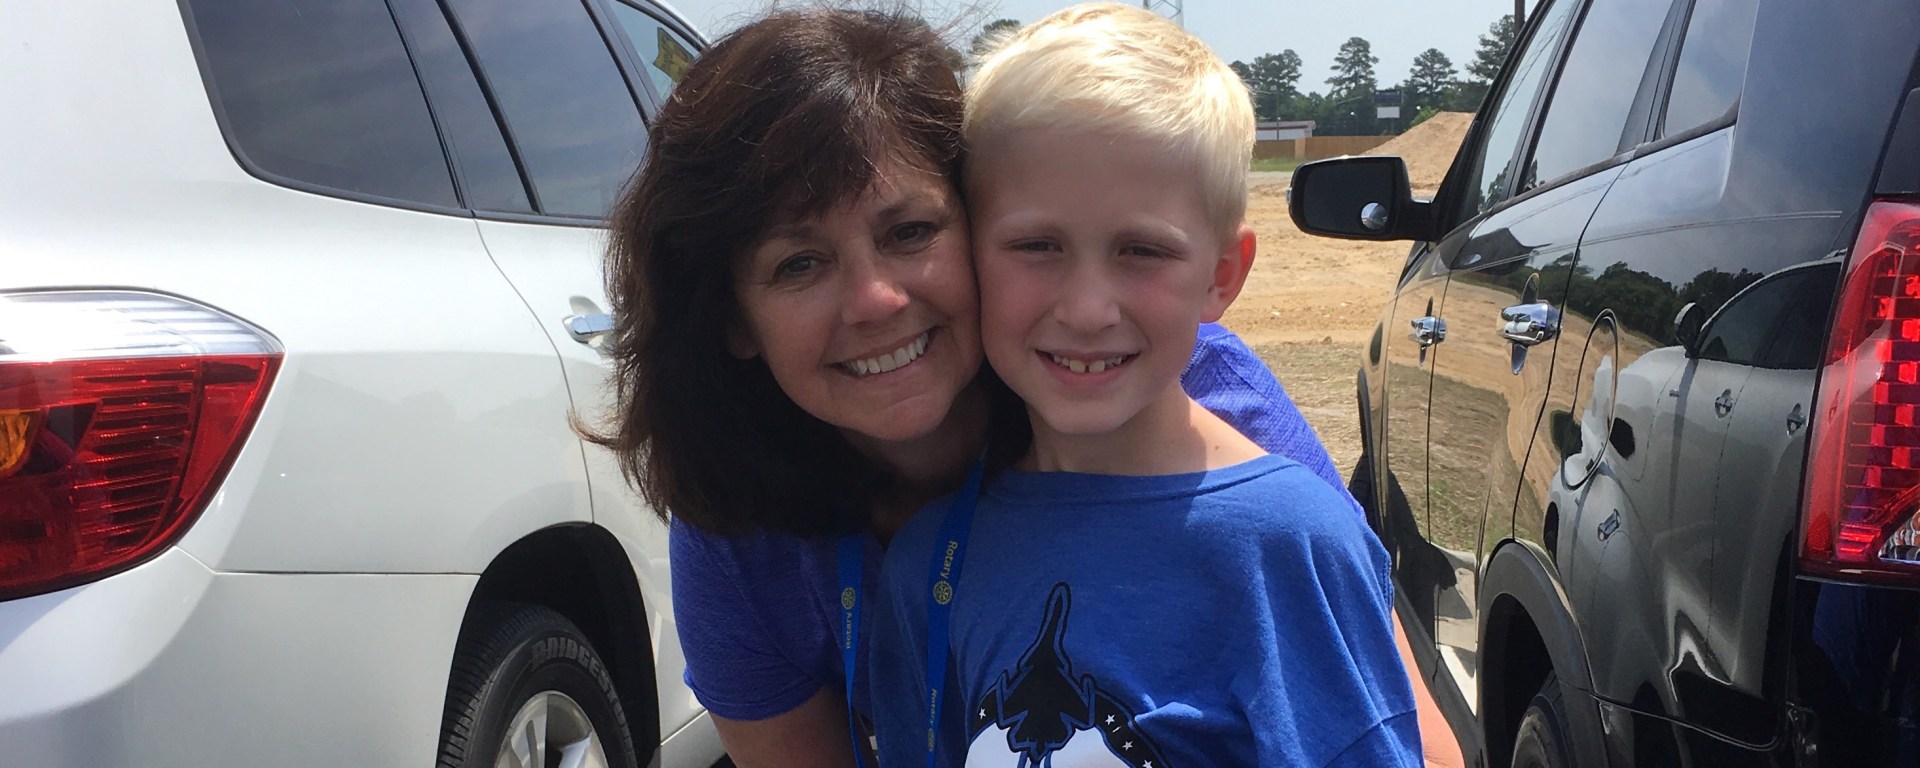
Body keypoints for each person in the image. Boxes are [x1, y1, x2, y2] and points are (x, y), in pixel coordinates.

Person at [590, 7, 1456, 767]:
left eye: (909, 231)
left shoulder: (1221, 430)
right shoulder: (749, 515)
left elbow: (1413, 741)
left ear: (968, 221)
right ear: (731, 317)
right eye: (798, 264)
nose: (876, 300)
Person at [866, 5, 1419, 766]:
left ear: (1221, 276)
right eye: (1037, 245)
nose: (1088, 310)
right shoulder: (928, 567)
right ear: (969, 257)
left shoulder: (1291, 547)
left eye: (1142, 251)